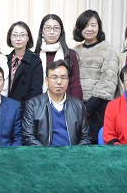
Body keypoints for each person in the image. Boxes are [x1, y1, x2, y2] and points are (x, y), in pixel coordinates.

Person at [71, 9, 119, 138]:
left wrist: (90, 105)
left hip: (99, 106)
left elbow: (109, 78)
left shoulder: (107, 49)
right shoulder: (75, 51)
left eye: (93, 25)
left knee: (96, 142)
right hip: (77, 106)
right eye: (85, 25)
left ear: (99, 27)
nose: (89, 29)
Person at [22, 60, 91, 146]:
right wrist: (46, 152)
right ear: (46, 80)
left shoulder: (78, 105)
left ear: (68, 80)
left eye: (63, 78)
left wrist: (73, 152)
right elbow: (28, 137)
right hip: (44, 153)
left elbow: (86, 137)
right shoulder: (33, 105)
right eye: (54, 78)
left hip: (72, 153)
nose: (59, 82)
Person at [34, 14, 83, 100]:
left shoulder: (70, 54)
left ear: (61, 31)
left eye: (56, 28)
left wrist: (75, 105)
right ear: (42, 31)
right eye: (48, 28)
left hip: (66, 103)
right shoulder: (35, 55)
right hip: (39, 103)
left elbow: (75, 85)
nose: (52, 32)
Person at [5, 21, 43, 108]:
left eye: (22, 35)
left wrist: (29, 110)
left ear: (28, 38)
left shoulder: (35, 60)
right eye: (14, 35)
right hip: (7, 107)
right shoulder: (5, 59)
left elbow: (36, 91)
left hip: (25, 108)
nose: (18, 39)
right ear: (10, 37)